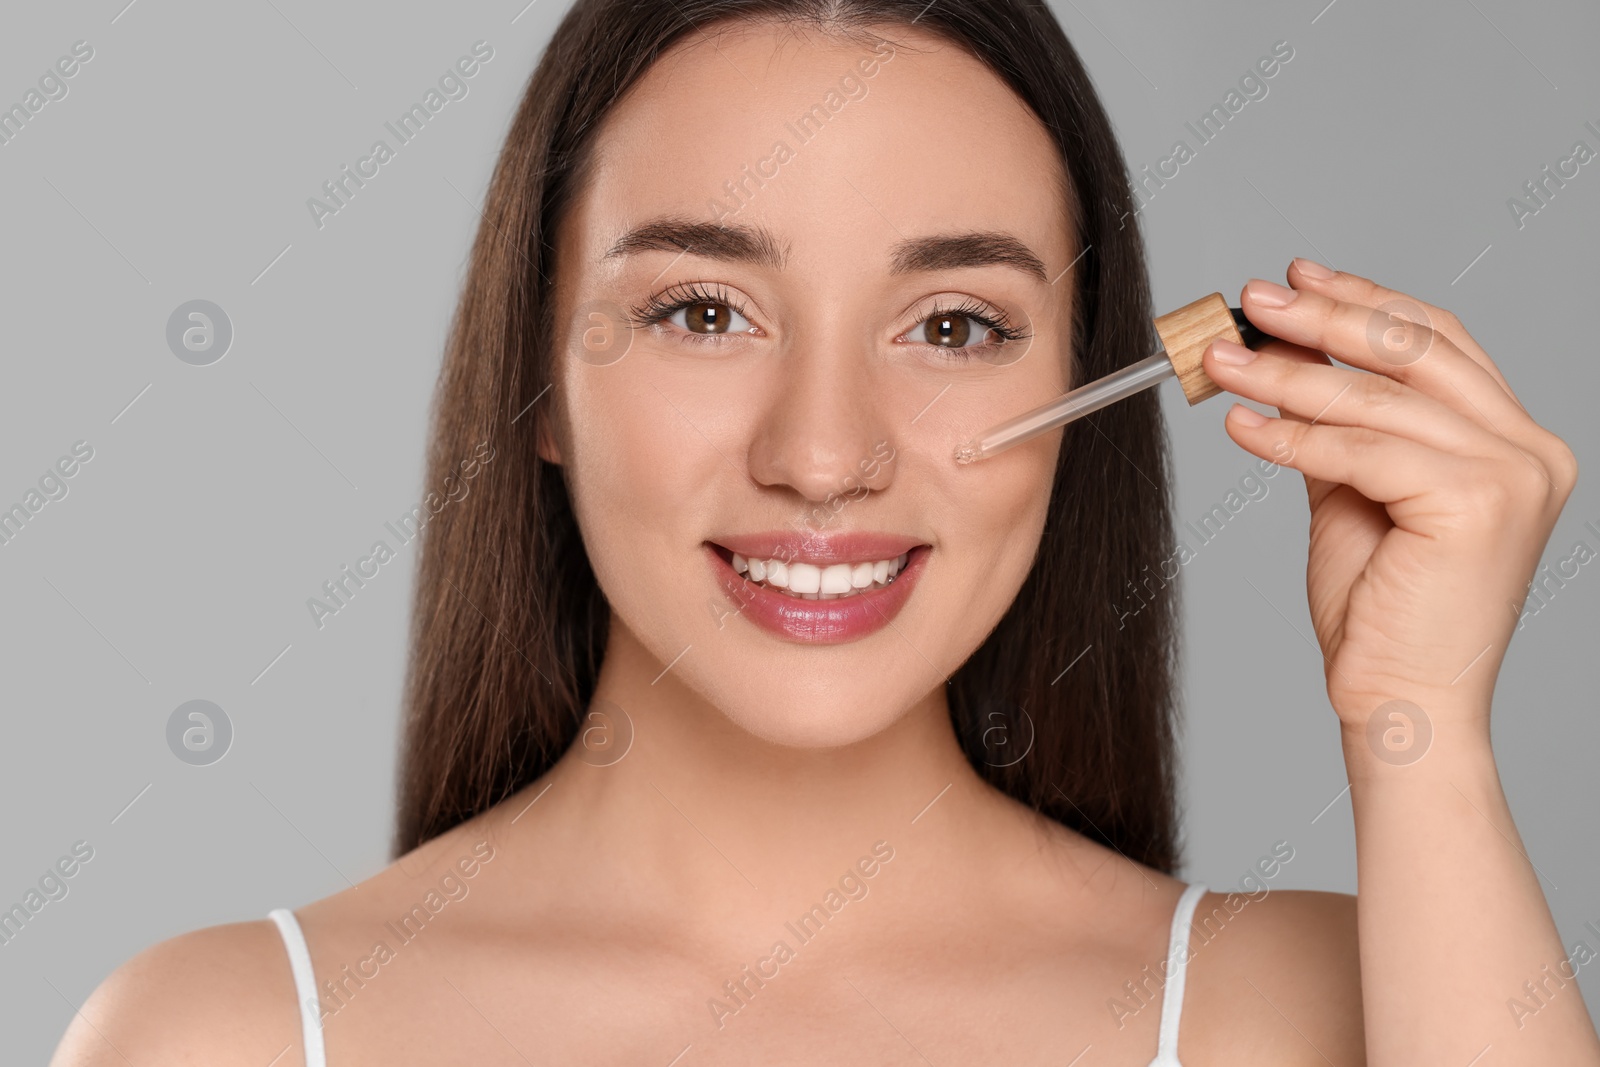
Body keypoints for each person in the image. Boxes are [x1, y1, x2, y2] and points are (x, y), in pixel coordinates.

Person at [51, 1, 1597, 1064]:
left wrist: (1421, 727)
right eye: (704, 311)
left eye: (953, 325)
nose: (824, 455)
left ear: (1090, 386)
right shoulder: (227, 1036)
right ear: (536, 376)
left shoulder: (1319, 1011)